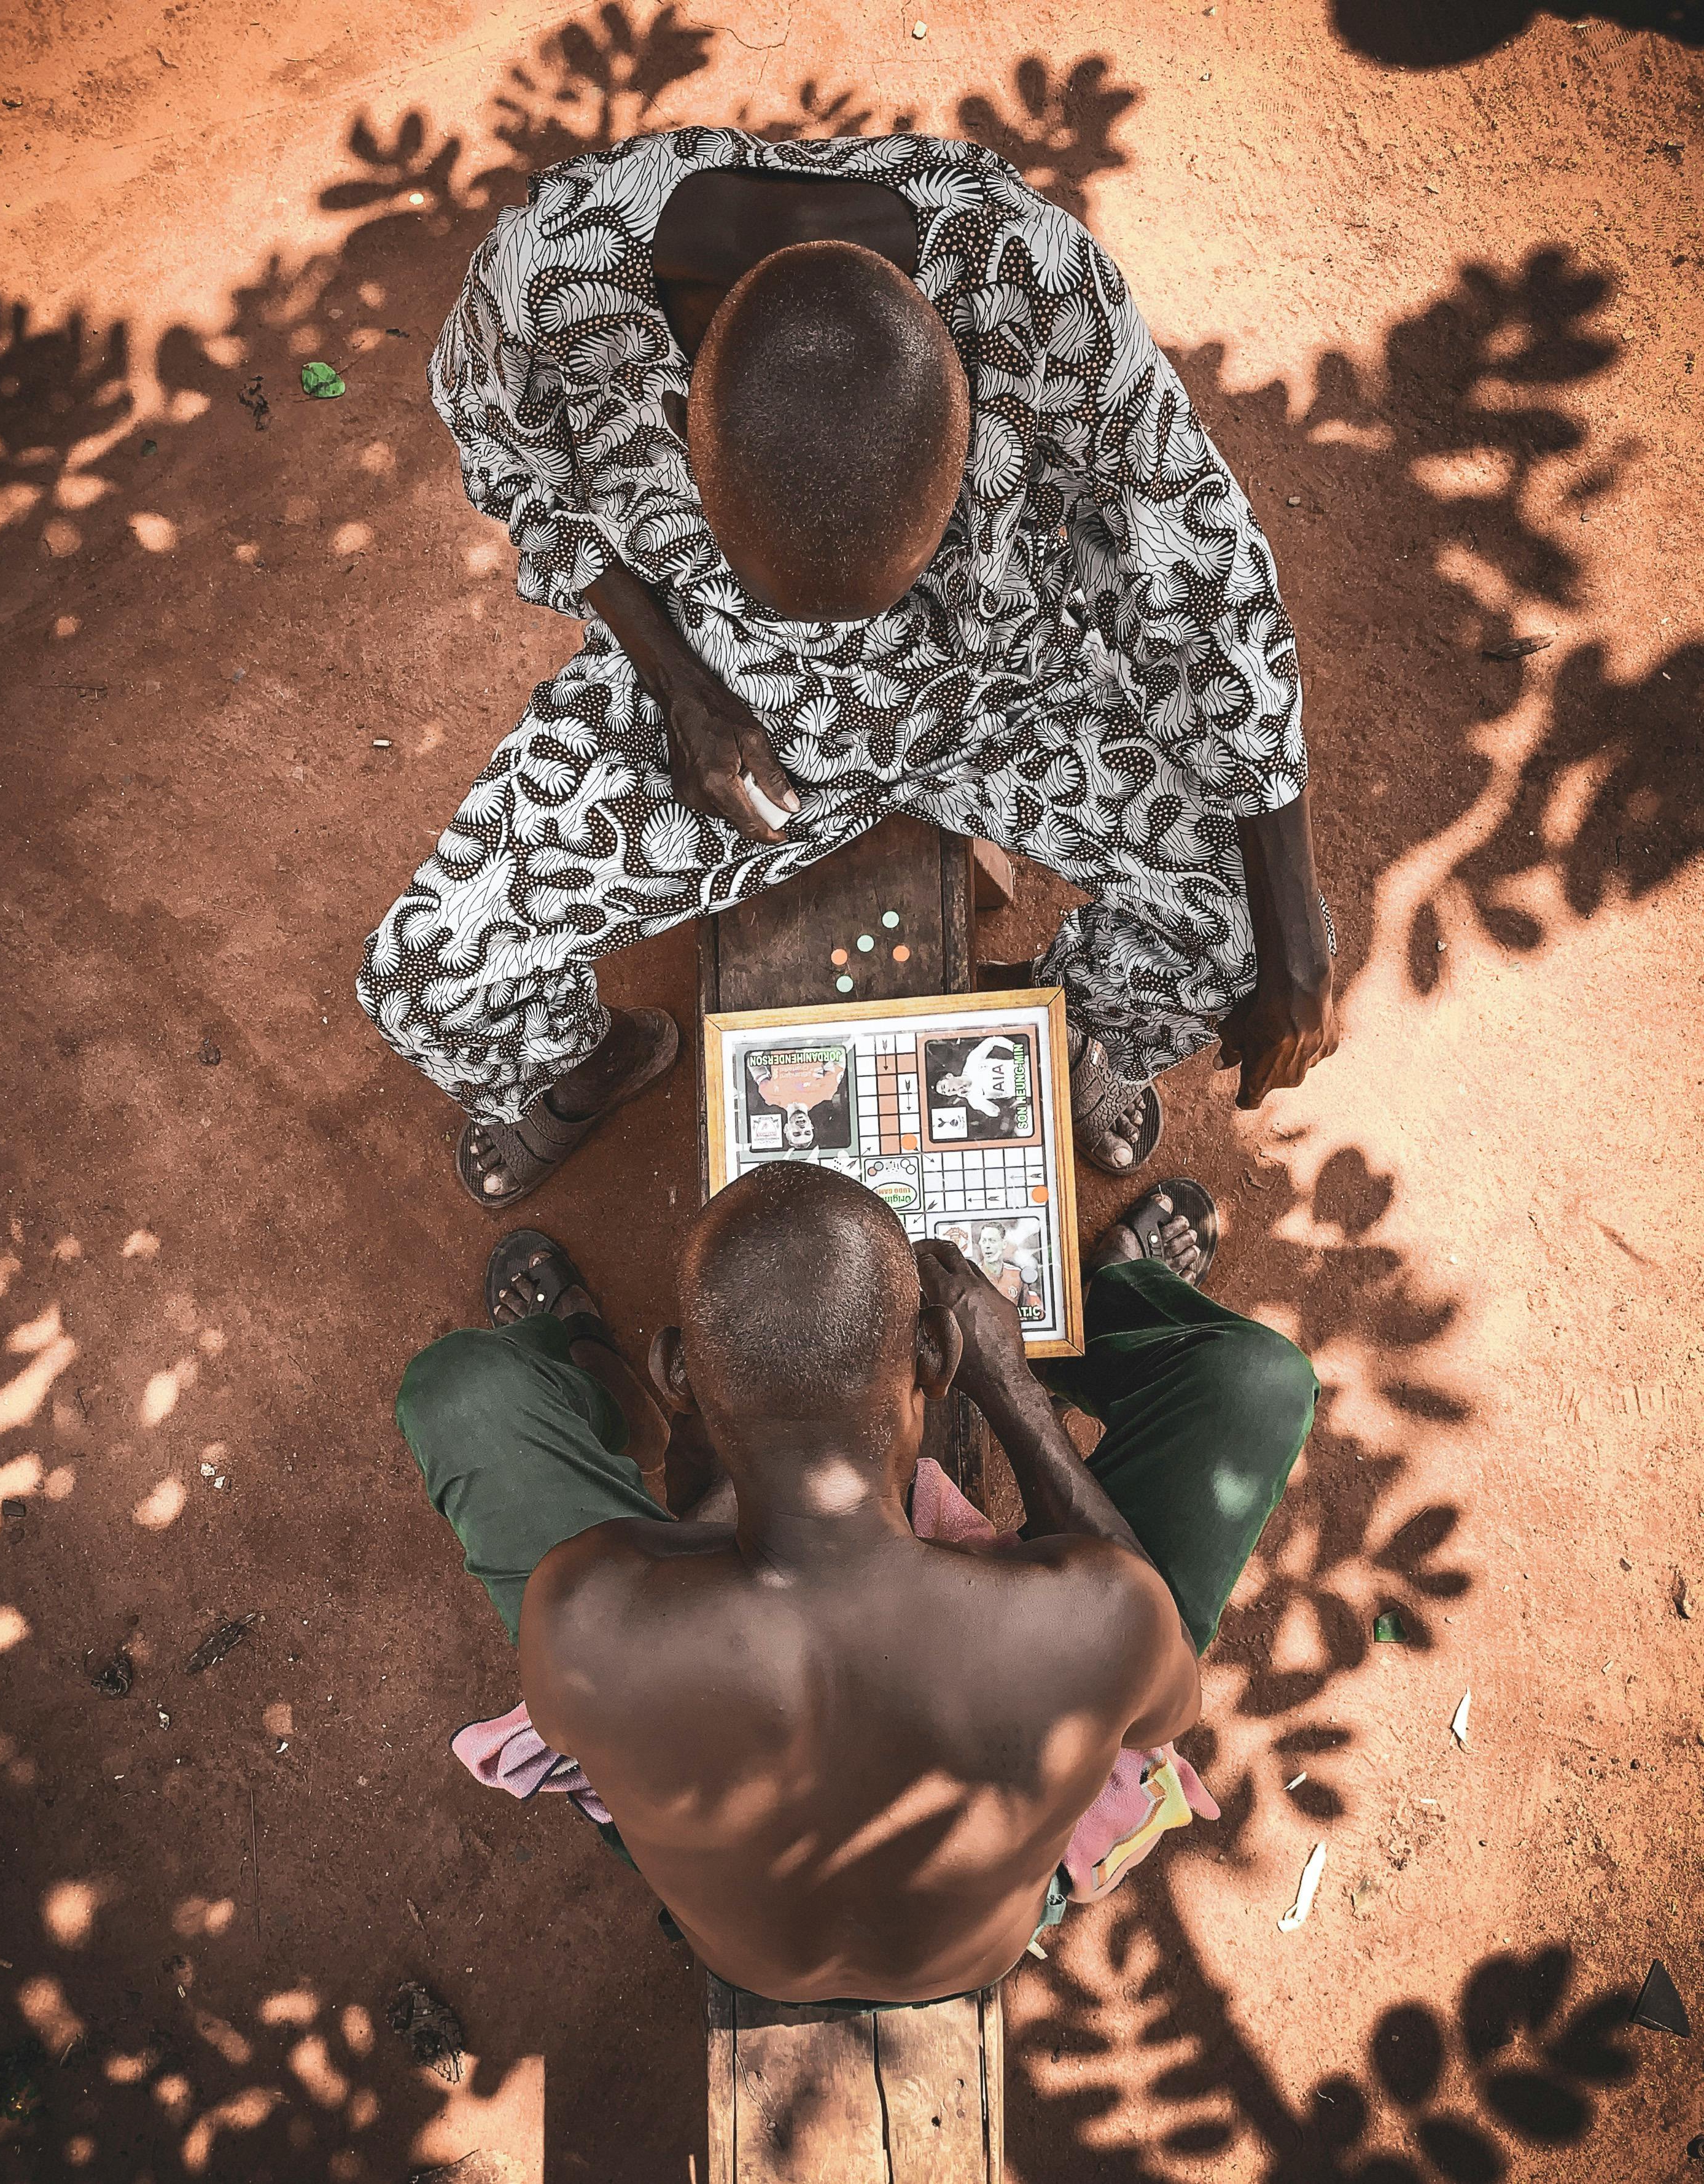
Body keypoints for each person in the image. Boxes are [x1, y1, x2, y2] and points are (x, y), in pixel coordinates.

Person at [358, 131, 1339, 1210]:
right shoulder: (548, 274)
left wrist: (1293, 940)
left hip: (995, 689)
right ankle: (590, 1060)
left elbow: (1205, 573)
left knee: (1258, 934)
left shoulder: (1038, 283)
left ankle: (1073, 1041)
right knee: (421, 978)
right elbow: (515, 469)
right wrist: (682, 687)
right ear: (695, 452)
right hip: (716, 693)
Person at [395, 1164, 1317, 2004]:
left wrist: (726, 1454)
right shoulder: (1093, 1617)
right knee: (1257, 1383)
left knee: (459, 1390)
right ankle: (1092, 1303)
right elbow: (1162, 1713)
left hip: (734, 1931)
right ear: (937, 1357)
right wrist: (1013, 1391)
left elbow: (653, 1627)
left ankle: (597, 1370)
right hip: (981, 1933)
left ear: (678, 1371)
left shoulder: (587, 1610)